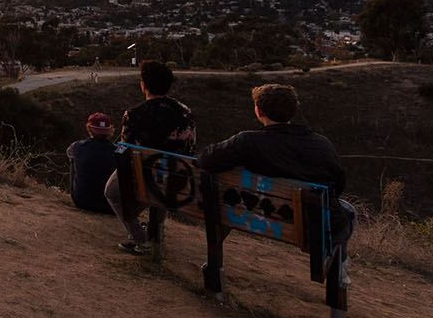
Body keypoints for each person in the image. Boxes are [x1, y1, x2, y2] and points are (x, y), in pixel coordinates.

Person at [196, 83, 355, 245]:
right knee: (347, 210)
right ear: (293, 111)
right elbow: (338, 185)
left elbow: (205, 159)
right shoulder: (322, 144)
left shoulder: (247, 142)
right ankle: (335, 268)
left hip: (262, 219)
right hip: (314, 227)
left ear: (259, 112)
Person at [106, 60, 197, 254]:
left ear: (143, 85)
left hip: (147, 177)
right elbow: (190, 148)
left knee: (111, 192)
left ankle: (139, 238)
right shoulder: (186, 113)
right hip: (176, 179)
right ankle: (156, 231)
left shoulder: (134, 115)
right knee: (163, 174)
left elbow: (124, 151)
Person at [66, 112, 116, 214]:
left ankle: (77, 190)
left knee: (73, 160)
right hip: (110, 206)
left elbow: (69, 154)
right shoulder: (118, 151)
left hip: (82, 202)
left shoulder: (76, 147)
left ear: (90, 129)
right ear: (109, 131)